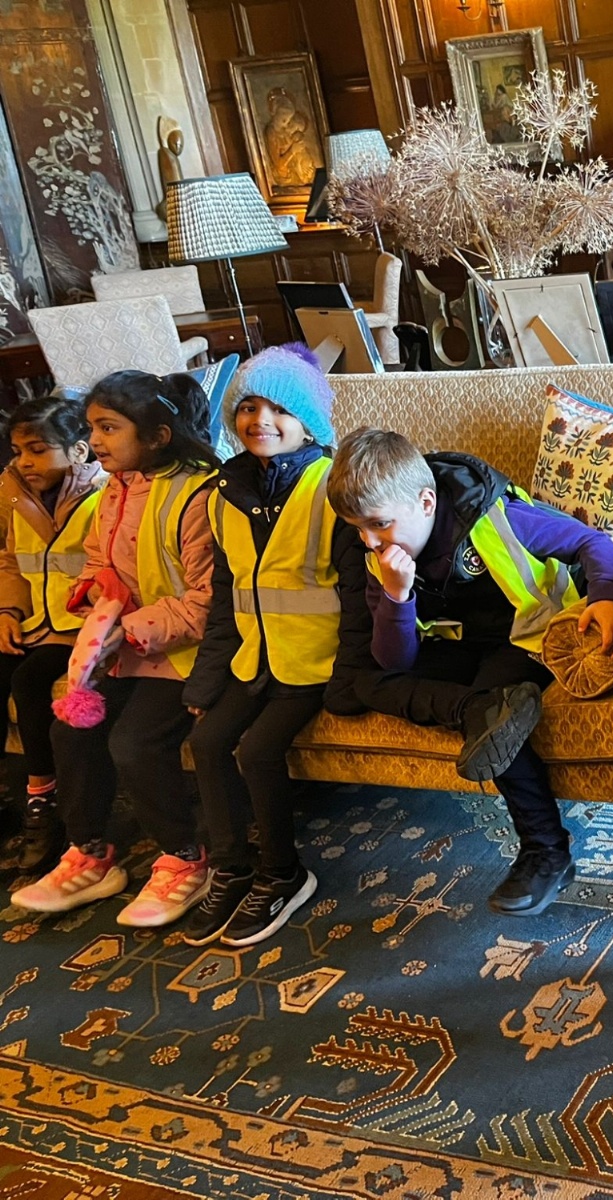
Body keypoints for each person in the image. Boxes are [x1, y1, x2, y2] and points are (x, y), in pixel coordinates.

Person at [327, 428, 613, 917]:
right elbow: (394, 660)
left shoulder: (496, 517)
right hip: (458, 645)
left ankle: (547, 852)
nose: (369, 541)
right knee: (365, 680)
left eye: (378, 524)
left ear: (426, 502)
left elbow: (590, 541)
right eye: (357, 529)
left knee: (498, 714)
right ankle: (476, 710)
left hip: (525, 636)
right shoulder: (379, 558)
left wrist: (608, 597)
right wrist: (397, 596)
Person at [10, 372, 218, 926]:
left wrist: (128, 629)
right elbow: (101, 560)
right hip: (127, 648)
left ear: (157, 435)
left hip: (188, 656)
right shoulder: (114, 489)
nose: (94, 440)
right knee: (69, 731)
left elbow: (206, 602)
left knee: (135, 743)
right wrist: (92, 598)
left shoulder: (197, 494)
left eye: (108, 428)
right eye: (92, 428)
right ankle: (90, 855)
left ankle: (185, 858)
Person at [180, 346, 369, 948]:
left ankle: (283, 874)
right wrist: (207, 680)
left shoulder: (332, 488)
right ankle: (232, 867)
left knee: (258, 751)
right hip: (254, 661)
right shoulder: (222, 495)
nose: (260, 419)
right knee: (207, 741)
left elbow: (360, 597)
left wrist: (350, 676)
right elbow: (225, 598)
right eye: (248, 407)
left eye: (280, 409)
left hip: (314, 664)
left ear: (309, 424)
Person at [0, 397, 106, 873]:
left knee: (28, 681)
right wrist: (7, 611)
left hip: (79, 629)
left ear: (79, 451)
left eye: (38, 450)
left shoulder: (101, 496)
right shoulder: (14, 494)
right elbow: (10, 562)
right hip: (35, 622)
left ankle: (42, 800)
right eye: (18, 451)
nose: (25, 462)